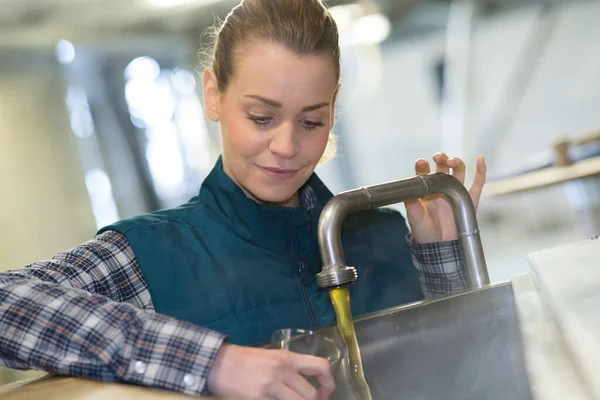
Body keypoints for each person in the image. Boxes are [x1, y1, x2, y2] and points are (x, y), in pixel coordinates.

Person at [0, 0, 487, 399]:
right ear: (213, 94)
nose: (287, 147)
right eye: (261, 117)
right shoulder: (150, 256)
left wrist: (443, 258)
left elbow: (467, 376)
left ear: (333, 110)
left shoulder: (379, 234)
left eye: (311, 121)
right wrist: (211, 362)